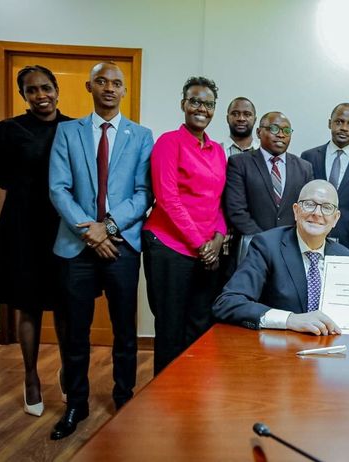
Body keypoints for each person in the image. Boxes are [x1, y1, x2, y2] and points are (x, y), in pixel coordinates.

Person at [48, 62, 153, 439]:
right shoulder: (67, 131)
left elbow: (144, 194)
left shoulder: (141, 135)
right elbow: (58, 188)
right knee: (75, 332)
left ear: (124, 91)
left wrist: (107, 227)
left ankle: (123, 398)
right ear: (91, 86)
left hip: (122, 246)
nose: (110, 87)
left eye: (117, 83)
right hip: (75, 248)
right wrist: (90, 233)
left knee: (125, 333)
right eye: (103, 81)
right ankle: (76, 403)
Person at [0, 65, 71, 417]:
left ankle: (67, 371)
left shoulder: (74, 127)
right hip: (22, 228)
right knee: (28, 305)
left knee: (64, 304)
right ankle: (30, 376)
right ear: (23, 95)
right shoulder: (8, 130)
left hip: (63, 228)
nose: (41, 95)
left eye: (46, 88)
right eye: (32, 90)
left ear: (57, 89)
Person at [143, 77, 227, 375]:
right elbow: (167, 198)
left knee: (200, 324)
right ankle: (164, 398)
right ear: (183, 104)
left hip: (206, 251)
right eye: (194, 101)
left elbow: (217, 200)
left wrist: (217, 239)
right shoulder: (169, 142)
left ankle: (191, 394)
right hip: (170, 246)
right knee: (171, 326)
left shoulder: (217, 150)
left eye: (207, 103)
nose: (201, 108)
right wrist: (200, 243)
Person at [213, 180, 349, 334]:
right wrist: (290, 319)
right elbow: (227, 302)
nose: (317, 213)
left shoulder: (346, 259)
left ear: (335, 218)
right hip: (277, 349)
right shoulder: (267, 246)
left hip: (330, 350)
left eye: (327, 208)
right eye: (309, 204)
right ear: (296, 210)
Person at [301, 103, 349, 256]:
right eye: (339, 122)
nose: (344, 128)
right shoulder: (308, 158)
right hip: (308, 240)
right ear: (330, 123)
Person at [224, 111, 313, 237]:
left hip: (290, 245)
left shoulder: (304, 168)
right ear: (259, 132)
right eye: (274, 129)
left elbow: (307, 210)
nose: (281, 135)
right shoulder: (239, 163)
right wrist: (265, 242)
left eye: (286, 131)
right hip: (252, 245)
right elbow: (236, 210)